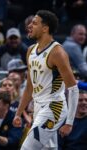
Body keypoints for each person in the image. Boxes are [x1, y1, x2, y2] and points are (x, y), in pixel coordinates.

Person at [13, 10, 79, 150]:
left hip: (54, 108)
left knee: (27, 148)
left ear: (45, 28)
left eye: (34, 23)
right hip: (38, 107)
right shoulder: (30, 50)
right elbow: (30, 87)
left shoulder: (57, 52)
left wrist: (69, 123)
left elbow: (73, 89)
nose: (29, 26)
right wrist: (18, 113)